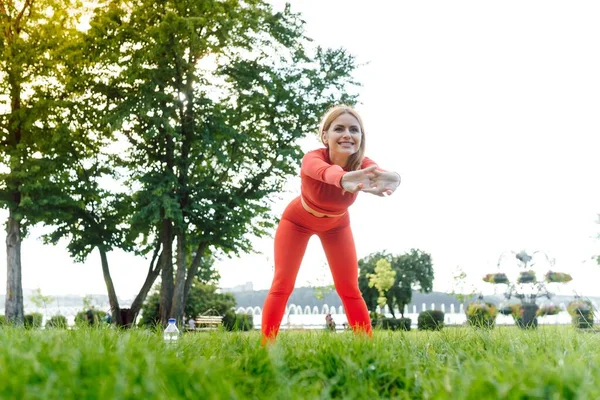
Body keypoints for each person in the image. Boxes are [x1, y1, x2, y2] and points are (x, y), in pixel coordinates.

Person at [261, 105, 401, 344]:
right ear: (325, 136)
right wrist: (343, 179)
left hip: (337, 225)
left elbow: (383, 175)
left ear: (360, 138)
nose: (348, 134)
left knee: (349, 287)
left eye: (354, 130)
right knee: (283, 282)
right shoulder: (312, 158)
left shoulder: (362, 163)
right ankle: (266, 345)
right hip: (297, 221)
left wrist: (395, 179)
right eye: (339, 128)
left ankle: (366, 346)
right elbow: (325, 172)